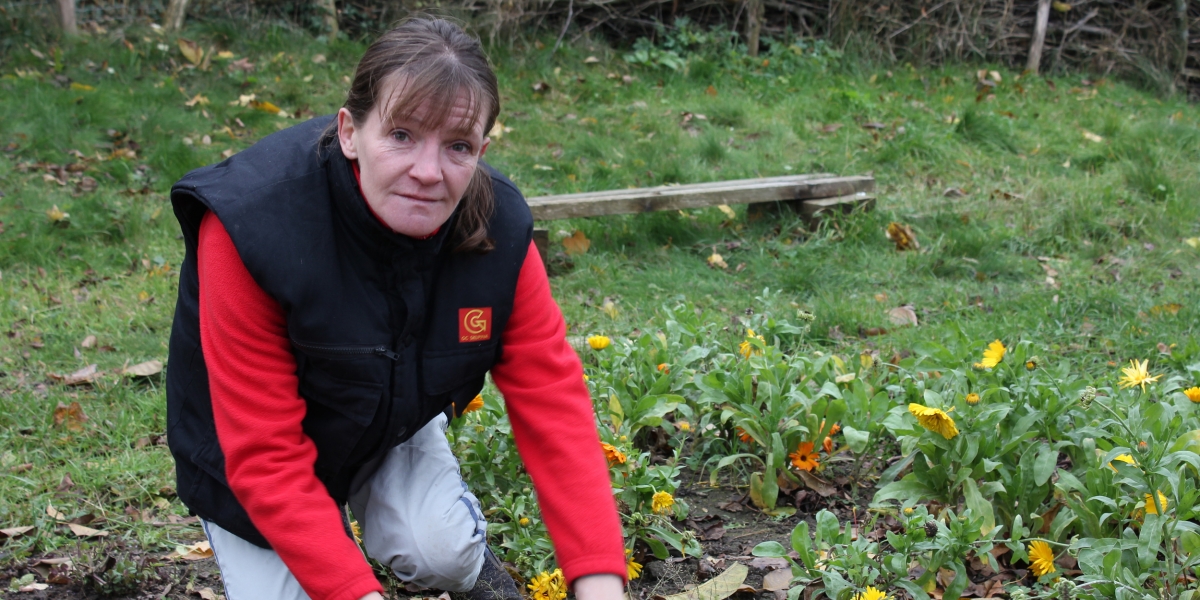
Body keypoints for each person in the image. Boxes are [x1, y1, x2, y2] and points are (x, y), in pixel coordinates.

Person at [166, 18, 626, 600]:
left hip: (380, 413)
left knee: (443, 556)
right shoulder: (248, 227)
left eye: (457, 146)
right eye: (402, 135)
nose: (428, 173)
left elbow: (554, 407)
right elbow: (266, 458)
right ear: (350, 132)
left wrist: (601, 584)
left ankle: (453, 549)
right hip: (246, 452)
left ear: (482, 150)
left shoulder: (498, 230)